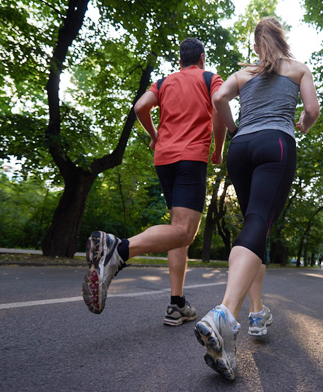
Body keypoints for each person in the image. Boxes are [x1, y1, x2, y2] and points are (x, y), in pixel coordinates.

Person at [193, 17, 320, 381]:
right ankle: (224, 314)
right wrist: (301, 126)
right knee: (259, 221)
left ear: (255, 44)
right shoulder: (298, 69)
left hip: (241, 147)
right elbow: (311, 111)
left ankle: (257, 312)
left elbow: (218, 97)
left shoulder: (242, 74)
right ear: (282, 39)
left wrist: (233, 128)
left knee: (254, 225)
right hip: (275, 143)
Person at [83, 38, 227, 327]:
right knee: (185, 232)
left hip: (164, 160)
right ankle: (118, 249)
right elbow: (221, 106)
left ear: (180, 60)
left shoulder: (164, 82)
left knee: (176, 230)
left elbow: (140, 107)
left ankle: (177, 304)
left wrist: (155, 135)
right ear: (201, 57)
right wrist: (219, 149)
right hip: (191, 158)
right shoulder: (210, 78)